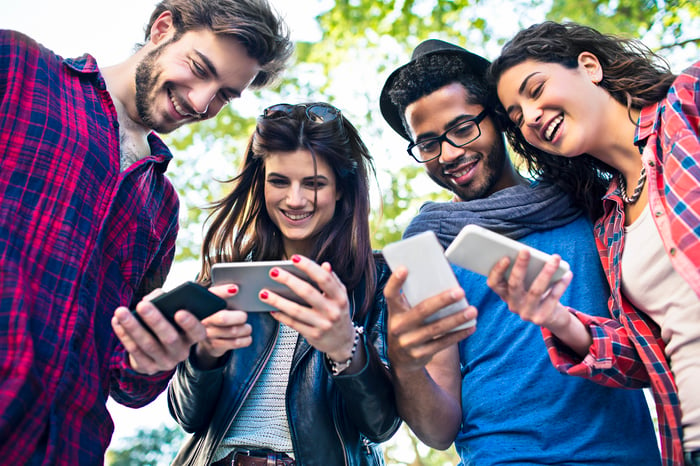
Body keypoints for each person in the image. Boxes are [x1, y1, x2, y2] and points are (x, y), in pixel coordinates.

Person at [0, 0, 292, 464]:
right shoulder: (19, 67)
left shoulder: (163, 205)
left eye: (223, 95)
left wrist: (155, 357)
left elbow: (127, 382)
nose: (201, 103)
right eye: (199, 68)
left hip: (70, 448)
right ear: (162, 28)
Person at [378, 38, 661, 465]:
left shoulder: (589, 200)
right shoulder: (423, 247)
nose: (449, 154)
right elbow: (438, 431)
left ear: (499, 120)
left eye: (461, 129)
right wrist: (404, 362)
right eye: (429, 143)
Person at [489, 20, 700, 466]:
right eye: (516, 116)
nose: (530, 117)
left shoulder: (687, 103)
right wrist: (556, 318)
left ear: (589, 67)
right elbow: (647, 358)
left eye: (535, 89)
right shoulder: (608, 223)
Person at [167, 102, 401, 465]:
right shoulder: (227, 274)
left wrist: (346, 349)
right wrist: (205, 353)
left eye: (314, 184)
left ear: (341, 189)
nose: (295, 200)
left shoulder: (376, 282)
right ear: (261, 183)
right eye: (279, 181)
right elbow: (187, 416)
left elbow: (381, 425)